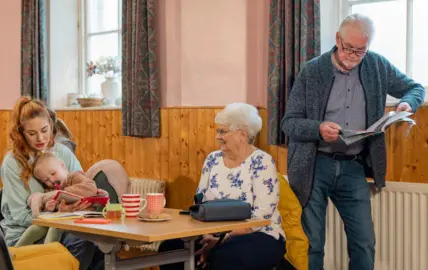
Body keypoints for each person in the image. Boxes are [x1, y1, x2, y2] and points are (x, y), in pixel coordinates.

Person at [281, 14, 425, 270]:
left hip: (353, 166)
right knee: (313, 243)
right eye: (349, 48)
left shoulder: (376, 65)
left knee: (364, 242)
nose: (354, 56)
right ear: (338, 39)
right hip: (314, 165)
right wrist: (318, 129)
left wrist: (407, 103)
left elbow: (416, 88)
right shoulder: (312, 71)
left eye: (361, 51)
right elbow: (289, 122)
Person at [159, 103, 286, 270]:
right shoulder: (213, 159)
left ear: (242, 135)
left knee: (226, 258)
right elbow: (200, 204)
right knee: (169, 249)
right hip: (212, 233)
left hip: (258, 234)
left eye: (223, 131)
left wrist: (221, 238)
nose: (218, 136)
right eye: (218, 131)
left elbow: (261, 216)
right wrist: (208, 236)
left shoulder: (262, 161)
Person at [0, 96, 102, 270]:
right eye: (31, 133)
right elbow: (20, 217)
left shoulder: (63, 153)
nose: (40, 138)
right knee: (83, 242)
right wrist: (60, 215)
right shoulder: (12, 162)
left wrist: (72, 211)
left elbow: (83, 189)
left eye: (45, 130)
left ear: (51, 125)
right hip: (24, 234)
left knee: (100, 247)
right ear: (21, 133)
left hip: (67, 226)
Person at [15, 152, 98, 247]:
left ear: (63, 166)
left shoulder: (75, 177)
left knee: (54, 227)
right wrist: (49, 208)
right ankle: (13, 254)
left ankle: (49, 255)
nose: (52, 180)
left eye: (53, 173)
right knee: (35, 228)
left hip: (81, 218)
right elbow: (48, 203)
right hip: (63, 218)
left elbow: (90, 188)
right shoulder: (51, 189)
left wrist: (62, 195)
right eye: (46, 180)